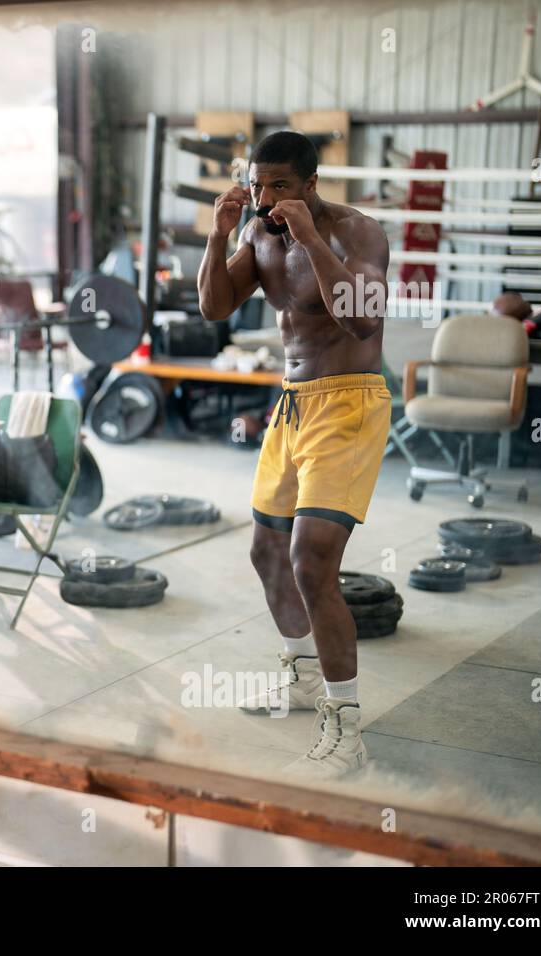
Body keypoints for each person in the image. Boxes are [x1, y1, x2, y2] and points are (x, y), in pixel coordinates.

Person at [197, 130, 392, 778]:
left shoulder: (357, 232)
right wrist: (220, 234)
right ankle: (304, 675)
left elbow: (361, 319)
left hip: (349, 403)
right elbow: (213, 307)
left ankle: (349, 730)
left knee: (312, 563)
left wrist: (310, 235)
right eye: (258, 185)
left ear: (311, 184)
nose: (265, 197)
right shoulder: (256, 236)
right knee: (265, 551)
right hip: (292, 402)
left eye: (279, 185)